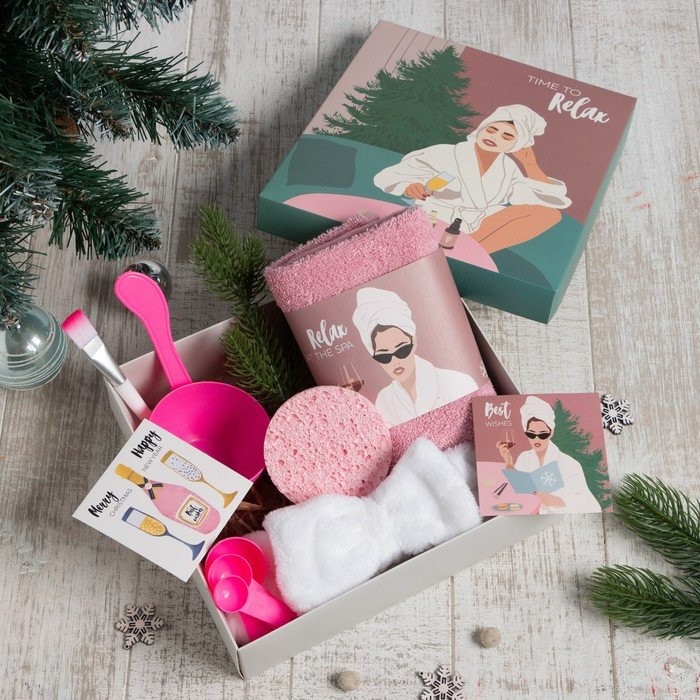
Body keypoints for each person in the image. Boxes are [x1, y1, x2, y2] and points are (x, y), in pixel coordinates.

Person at [373, 104, 571, 253]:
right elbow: (386, 176)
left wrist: (530, 164)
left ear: (516, 145)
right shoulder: (445, 153)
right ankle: (465, 253)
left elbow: (545, 200)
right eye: (491, 130)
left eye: (507, 136)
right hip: (437, 218)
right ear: (481, 129)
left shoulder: (508, 169)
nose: (494, 137)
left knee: (549, 214)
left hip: (477, 225)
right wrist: (409, 186)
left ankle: (468, 252)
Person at [352, 287, 477, 427]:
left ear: (414, 342)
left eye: (402, 350)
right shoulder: (385, 400)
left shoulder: (457, 383)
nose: (395, 361)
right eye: (384, 356)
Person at [497, 396, 600, 513]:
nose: (536, 439)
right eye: (531, 434)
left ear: (551, 432)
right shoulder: (524, 458)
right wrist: (509, 462)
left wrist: (556, 500)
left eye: (542, 434)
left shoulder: (569, 463)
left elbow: (583, 498)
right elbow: (516, 490)